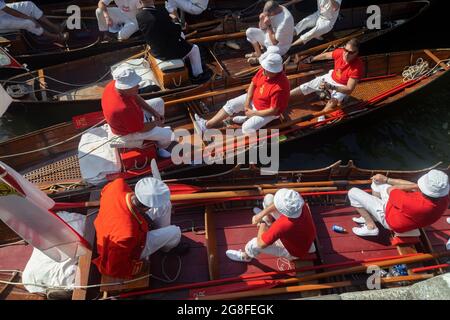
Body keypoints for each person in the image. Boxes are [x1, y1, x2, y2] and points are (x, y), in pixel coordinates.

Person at [93, 177, 188, 279]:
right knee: (175, 232)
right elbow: (113, 268)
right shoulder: (126, 235)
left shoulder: (118, 185)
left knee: (165, 204)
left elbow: (104, 192)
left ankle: (163, 238)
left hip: (114, 223)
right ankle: (167, 247)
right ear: (147, 208)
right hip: (134, 243)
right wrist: (138, 267)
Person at [194, 52, 289, 134]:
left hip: (267, 112)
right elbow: (253, 84)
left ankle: (248, 120)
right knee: (231, 104)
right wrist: (247, 103)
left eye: (266, 69)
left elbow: (273, 110)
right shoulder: (264, 71)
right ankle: (206, 125)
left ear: (274, 71)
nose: (263, 70)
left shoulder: (280, 87)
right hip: (255, 101)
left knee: (246, 129)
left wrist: (254, 113)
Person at [101, 66, 176, 158]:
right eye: (134, 85)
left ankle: (158, 132)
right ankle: (161, 148)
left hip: (134, 118)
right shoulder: (123, 109)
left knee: (159, 102)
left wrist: (153, 112)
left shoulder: (113, 85)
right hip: (127, 132)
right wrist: (156, 123)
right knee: (169, 134)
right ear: (125, 88)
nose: (138, 86)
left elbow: (135, 96)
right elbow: (141, 128)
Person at [348, 170, 449, 237]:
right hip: (409, 221)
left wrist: (387, 180)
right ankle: (373, 215)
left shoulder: (411, 203)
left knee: (352, 192)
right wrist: (417, 187)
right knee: (377, 182)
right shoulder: (444, 199)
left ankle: (371, 227)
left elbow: (391, 189)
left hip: (391, 220)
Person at [226, 189, 316, 262]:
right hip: (303, 239)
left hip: (294, 251)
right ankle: (268, 220)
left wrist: (262, 222)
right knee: (269, 198)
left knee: (254, 244)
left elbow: (261, 244)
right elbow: (277, 205)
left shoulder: (283, 225)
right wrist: (260, 215)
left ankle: (246, 256)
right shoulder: (300, 205)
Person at [290, 38, 363, 122]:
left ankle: (321, 115)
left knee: (336, 99)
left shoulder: (357, 67)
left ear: (357, 53)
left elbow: (349, 89)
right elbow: (325, 55)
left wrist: (331, 87)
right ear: (344, 48)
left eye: (351, 52)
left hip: (342, 86)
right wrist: (312, 59)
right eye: (345, 50)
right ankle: (285, 96)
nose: (346, 54)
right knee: (307, 86)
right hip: (330, 77)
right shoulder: (340, 52)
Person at [136, 0, 210, 83]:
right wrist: (175, 19)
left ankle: (186, 60)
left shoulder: (139, 15)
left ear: (139, 1)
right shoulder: (161, 14)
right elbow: (177, 31)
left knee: (182, 37)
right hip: (165, 53)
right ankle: (198, 75)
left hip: (154, 49)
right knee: (195, 49)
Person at [0, 0, 68, 43]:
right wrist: (29, 18)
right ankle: (55, 37)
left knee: (29, 5)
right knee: (28, 23)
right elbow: (10, 11)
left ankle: (55, 27)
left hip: (2, 10)